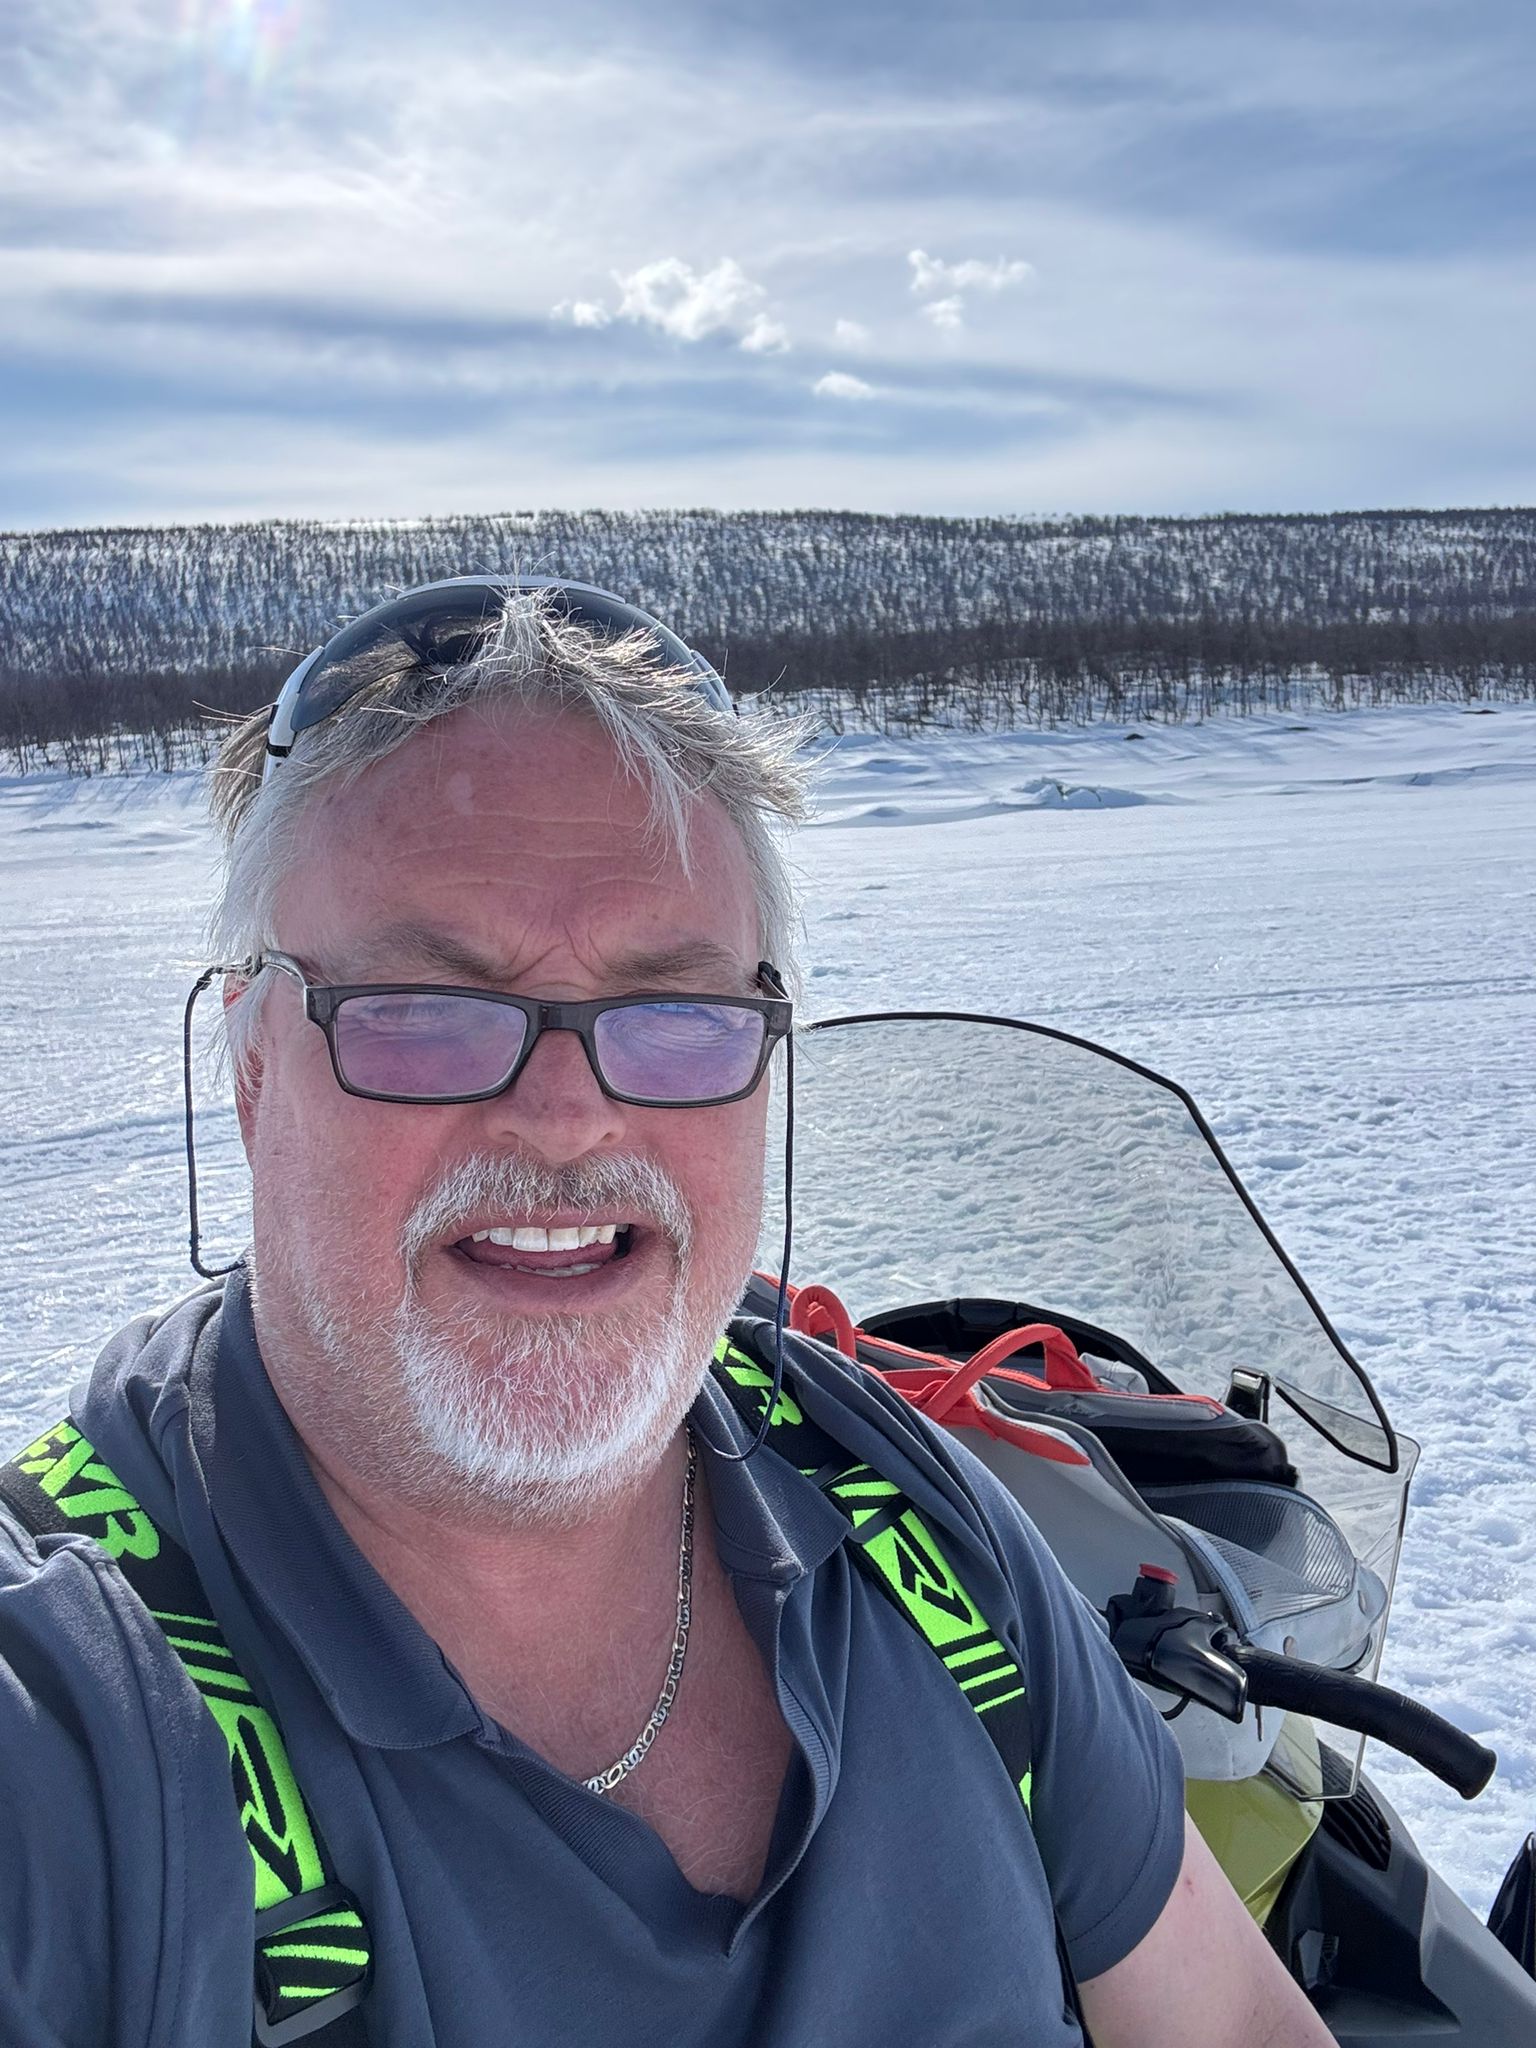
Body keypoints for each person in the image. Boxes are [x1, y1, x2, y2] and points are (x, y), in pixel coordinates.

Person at [0, 578, 1336, 2047]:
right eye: (425, 1011)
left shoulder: (909, 1531)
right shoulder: (74, 1725)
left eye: (675, 1016)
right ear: (251, 1068)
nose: (568, 1120)